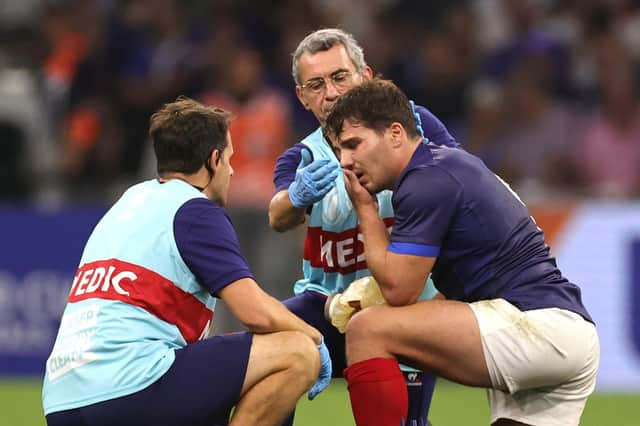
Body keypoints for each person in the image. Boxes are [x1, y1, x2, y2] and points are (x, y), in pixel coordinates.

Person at [325, 78, 600, 426]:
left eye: (353, 144)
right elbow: (455, 295)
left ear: (396, 133)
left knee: (369, 330)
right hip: (568, 336)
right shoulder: (447, 167)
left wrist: (365, 209)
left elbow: (400, 290)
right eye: (339, 152)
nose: (346, 162)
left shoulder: (424, 179)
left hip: (537, 325)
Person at [42, 97, 331, 426]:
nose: (232, 171)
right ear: (213, 160)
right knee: (296, 353)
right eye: (230, 160)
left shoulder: (128, 201)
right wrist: (317, 340)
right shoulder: (195, 209)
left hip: (61, 401)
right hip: (130, 388)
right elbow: (256, 313)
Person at [269, 28, 458, 426]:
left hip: (405, 305)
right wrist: (297, 196)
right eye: (316, 85)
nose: (332, 93)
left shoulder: (412, 125)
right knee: (266, 359)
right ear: (302, 97)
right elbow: (277, 215)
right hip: (327, 304)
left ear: (366, 76)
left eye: (340, 77)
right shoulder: (303, 156)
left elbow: (461, 179)